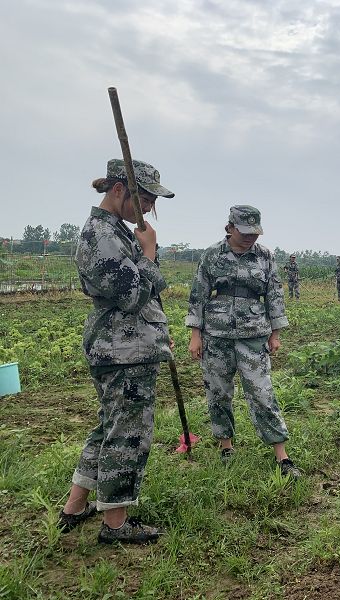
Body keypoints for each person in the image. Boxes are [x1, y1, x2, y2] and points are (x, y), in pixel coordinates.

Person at [58, 159, 175, 544]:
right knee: (127, 434)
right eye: (143, 199)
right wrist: (150, 252)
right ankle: (115, 524)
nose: (146, 210)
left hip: (127, 345)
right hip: (122, 349)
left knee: (110, 426)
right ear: (119, 190)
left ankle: (75, 506)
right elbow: (134, 294)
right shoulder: (102, 237)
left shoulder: (114, 232)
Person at [186, 206, 300, 478]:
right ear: (230, 228)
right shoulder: (212, 255)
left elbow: (274, 294)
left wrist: (275, 333)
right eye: (245, 232)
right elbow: (198, 293)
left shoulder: (265, 257)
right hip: (217, 334)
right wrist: (195, 333)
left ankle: (281, 455)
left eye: (255, 233)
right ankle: (226, 446)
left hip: (253, 335)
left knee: (262, 392)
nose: (251, 238)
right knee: (218, 392)